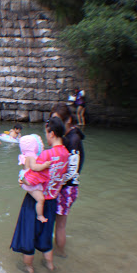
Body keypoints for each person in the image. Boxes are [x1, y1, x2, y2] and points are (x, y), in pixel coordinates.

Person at [10, 117, 69, 273]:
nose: (46, 137)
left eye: (47, 133)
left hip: (35, 201)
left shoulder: (47, 155)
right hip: (52, 200)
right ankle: (50, 264)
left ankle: (29, 267)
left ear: (52, 133)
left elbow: (30, 179)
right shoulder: (66, 154)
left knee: (29, 234)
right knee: (46, 235)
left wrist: (21, 179)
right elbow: (63, 178)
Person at [51, 103, 85, 257]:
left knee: (60, 226)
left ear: (68, 120)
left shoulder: (74, 140)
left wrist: (55, 182)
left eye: (58, 121)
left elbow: (72, 171)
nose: (54, 126)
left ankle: (60, 253)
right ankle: (57, 251)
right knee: (58, 224)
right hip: (65, 187)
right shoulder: (68, 138)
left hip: (67, 188)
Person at [18, 135, 51, 223]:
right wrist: (45, 165)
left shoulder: (24, 156)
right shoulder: (31, 157)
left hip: (25, 178)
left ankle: (23, 181)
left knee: (38, 197)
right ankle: (40, 215)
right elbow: (34, 167)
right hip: (30, 181)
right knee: (40, 199)